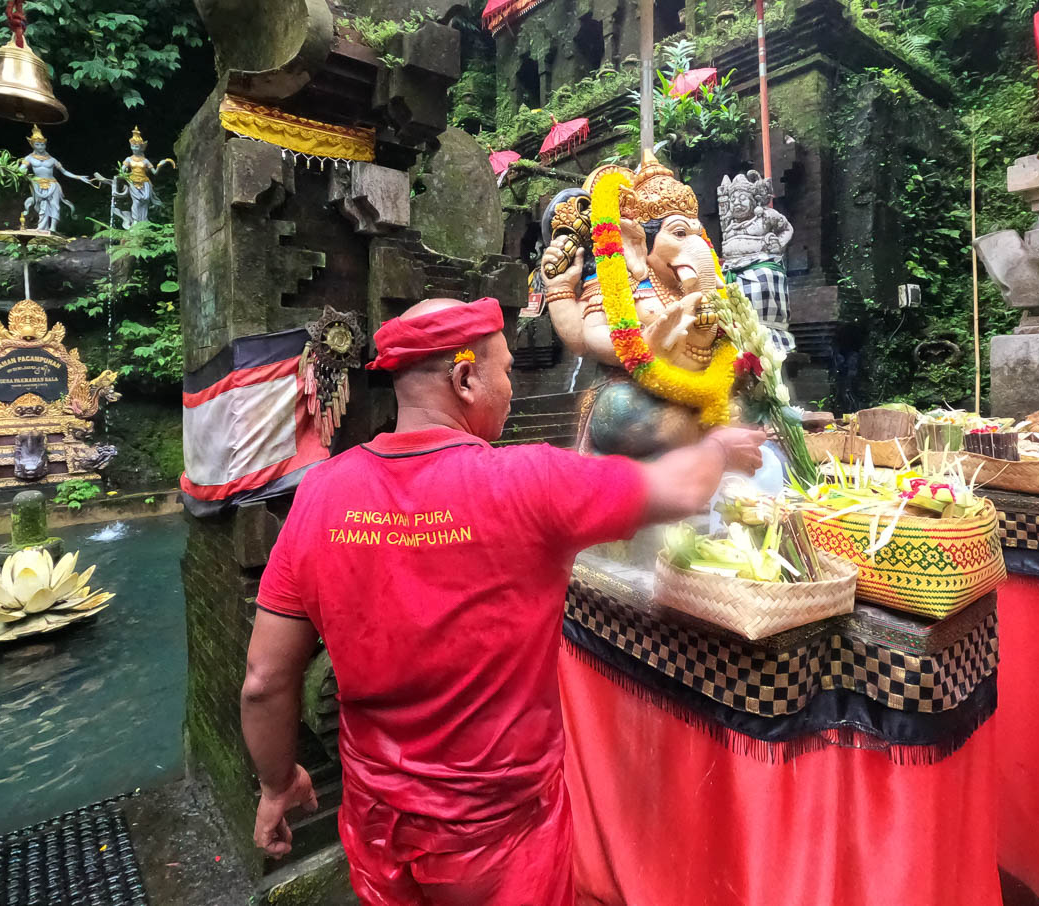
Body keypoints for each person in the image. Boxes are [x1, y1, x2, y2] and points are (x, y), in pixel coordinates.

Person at [241, 296, 764, 906]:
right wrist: (721, 447)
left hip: (376, 823)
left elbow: (263, 679)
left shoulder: (321, 494)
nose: (512, 390)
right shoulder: (528, 482)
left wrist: (277, 784)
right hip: (502, 839)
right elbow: (677, 487)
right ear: (465, 377)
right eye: (507, 371)